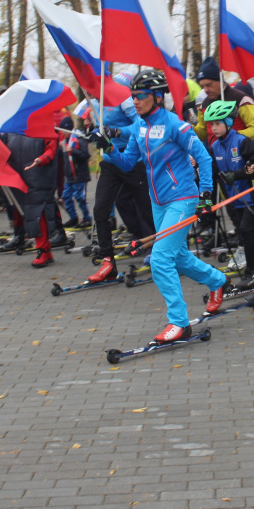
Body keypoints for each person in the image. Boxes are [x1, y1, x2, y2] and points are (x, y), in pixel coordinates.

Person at [97, 69, 228, 342]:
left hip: (183, 198)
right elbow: (127, 162)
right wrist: (108, 149)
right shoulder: (139, 127)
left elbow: (203, 159)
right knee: (178, 256)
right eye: (132, 96)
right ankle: (217, 281)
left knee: (160, 259)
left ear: (157, 97)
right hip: (158, 202)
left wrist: (205, 196)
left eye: (140, 96)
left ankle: (179, 323)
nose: (134, 101)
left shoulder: (175, 125)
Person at [85, 89, 157, 283]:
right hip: (110, 160)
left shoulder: (122, 98)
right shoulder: (92, 104)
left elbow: (140, 125)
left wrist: (116, 131)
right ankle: (108, 261)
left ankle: (158, 249)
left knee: (147, 209)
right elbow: (100, 129)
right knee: (100, 210)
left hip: (133, 158)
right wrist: (96, 135)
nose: (87, 90)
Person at [207, 100, 254, 289]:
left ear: (228, 123)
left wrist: (236, 174)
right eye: (211, 124)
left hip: (250, 193)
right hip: (233, 197)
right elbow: (213, 170)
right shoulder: (214, 146)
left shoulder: (241, 142)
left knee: (246, 232)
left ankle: (252, 271)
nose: (213, 128)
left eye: (217, 123)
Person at [1, 126, 59, 268]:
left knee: (37, 214)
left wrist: (41, 160)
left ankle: (42, 250)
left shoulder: (44, 125)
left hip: (38, 176)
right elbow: (4, 150)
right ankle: (45, 249)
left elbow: (51, 149)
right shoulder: (12, 129)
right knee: (27, 214)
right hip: (20, 178)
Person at [192, 57, 254, 144]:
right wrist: (189, 128)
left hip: (240, 154)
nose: (205, 90)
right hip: (214, 155)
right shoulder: (204, 104)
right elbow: (202, 133)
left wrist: (232, 137)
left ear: (220, 81)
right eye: (203, 86)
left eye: (209, 85)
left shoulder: (241, 99)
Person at [59, 114, 91, 228]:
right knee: (66, 197)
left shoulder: (78, 138)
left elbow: (85, 155)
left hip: (79, 175)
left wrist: (73, 151)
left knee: (80, 198)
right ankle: (73, 217)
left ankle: (87, 218)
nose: (62, 133)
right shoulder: (64, 142)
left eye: (63, 130)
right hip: (69, 177)